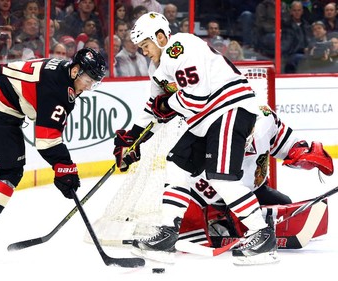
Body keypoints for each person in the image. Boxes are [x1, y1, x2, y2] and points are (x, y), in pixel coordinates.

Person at [113, 12, 278, 265]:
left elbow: (196, 98)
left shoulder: (182, 47)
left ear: (160, 37)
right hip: (205, 121)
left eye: (145, 45)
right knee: (176, 166)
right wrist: (132, 141)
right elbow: (154, 109)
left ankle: (262, 235)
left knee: (221, 178)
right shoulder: (156, 68)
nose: (144, 52)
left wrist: (166, 104)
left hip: (229, 111)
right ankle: (167, 233)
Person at [0, 47, 106, 249]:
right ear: (75, 71)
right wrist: (64, 167)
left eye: (95, 83)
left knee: (3, 153)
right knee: (11, 170)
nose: (89, 87)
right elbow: (46, 142)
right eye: (89, 80)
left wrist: (63, 166)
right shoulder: (58, 90)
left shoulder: (65, 74)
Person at [176, 105, 333, 247]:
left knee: (283, 203)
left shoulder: (265, 117)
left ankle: (227, 223)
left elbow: (286, 143)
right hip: (211, 195)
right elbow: (186, 179)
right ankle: (219, 221)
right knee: (192, 227)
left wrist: (302, 154)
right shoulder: (204, 123)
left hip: (252, 189)